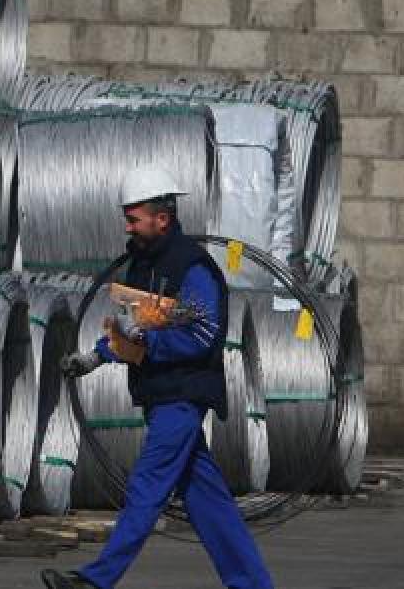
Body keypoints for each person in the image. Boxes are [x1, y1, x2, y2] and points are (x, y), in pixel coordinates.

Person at [41, 165, 274, 589]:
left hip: (182, 397)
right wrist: (97, 356)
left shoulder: (192, 268)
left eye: (134, 218)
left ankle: (96, 581)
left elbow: (201, 337)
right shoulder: (142, 266)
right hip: (159, 394)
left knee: (147, 487)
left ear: (161, 219)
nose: (127, 226)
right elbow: (136, 329)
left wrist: (147, 341)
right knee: (210, 503)